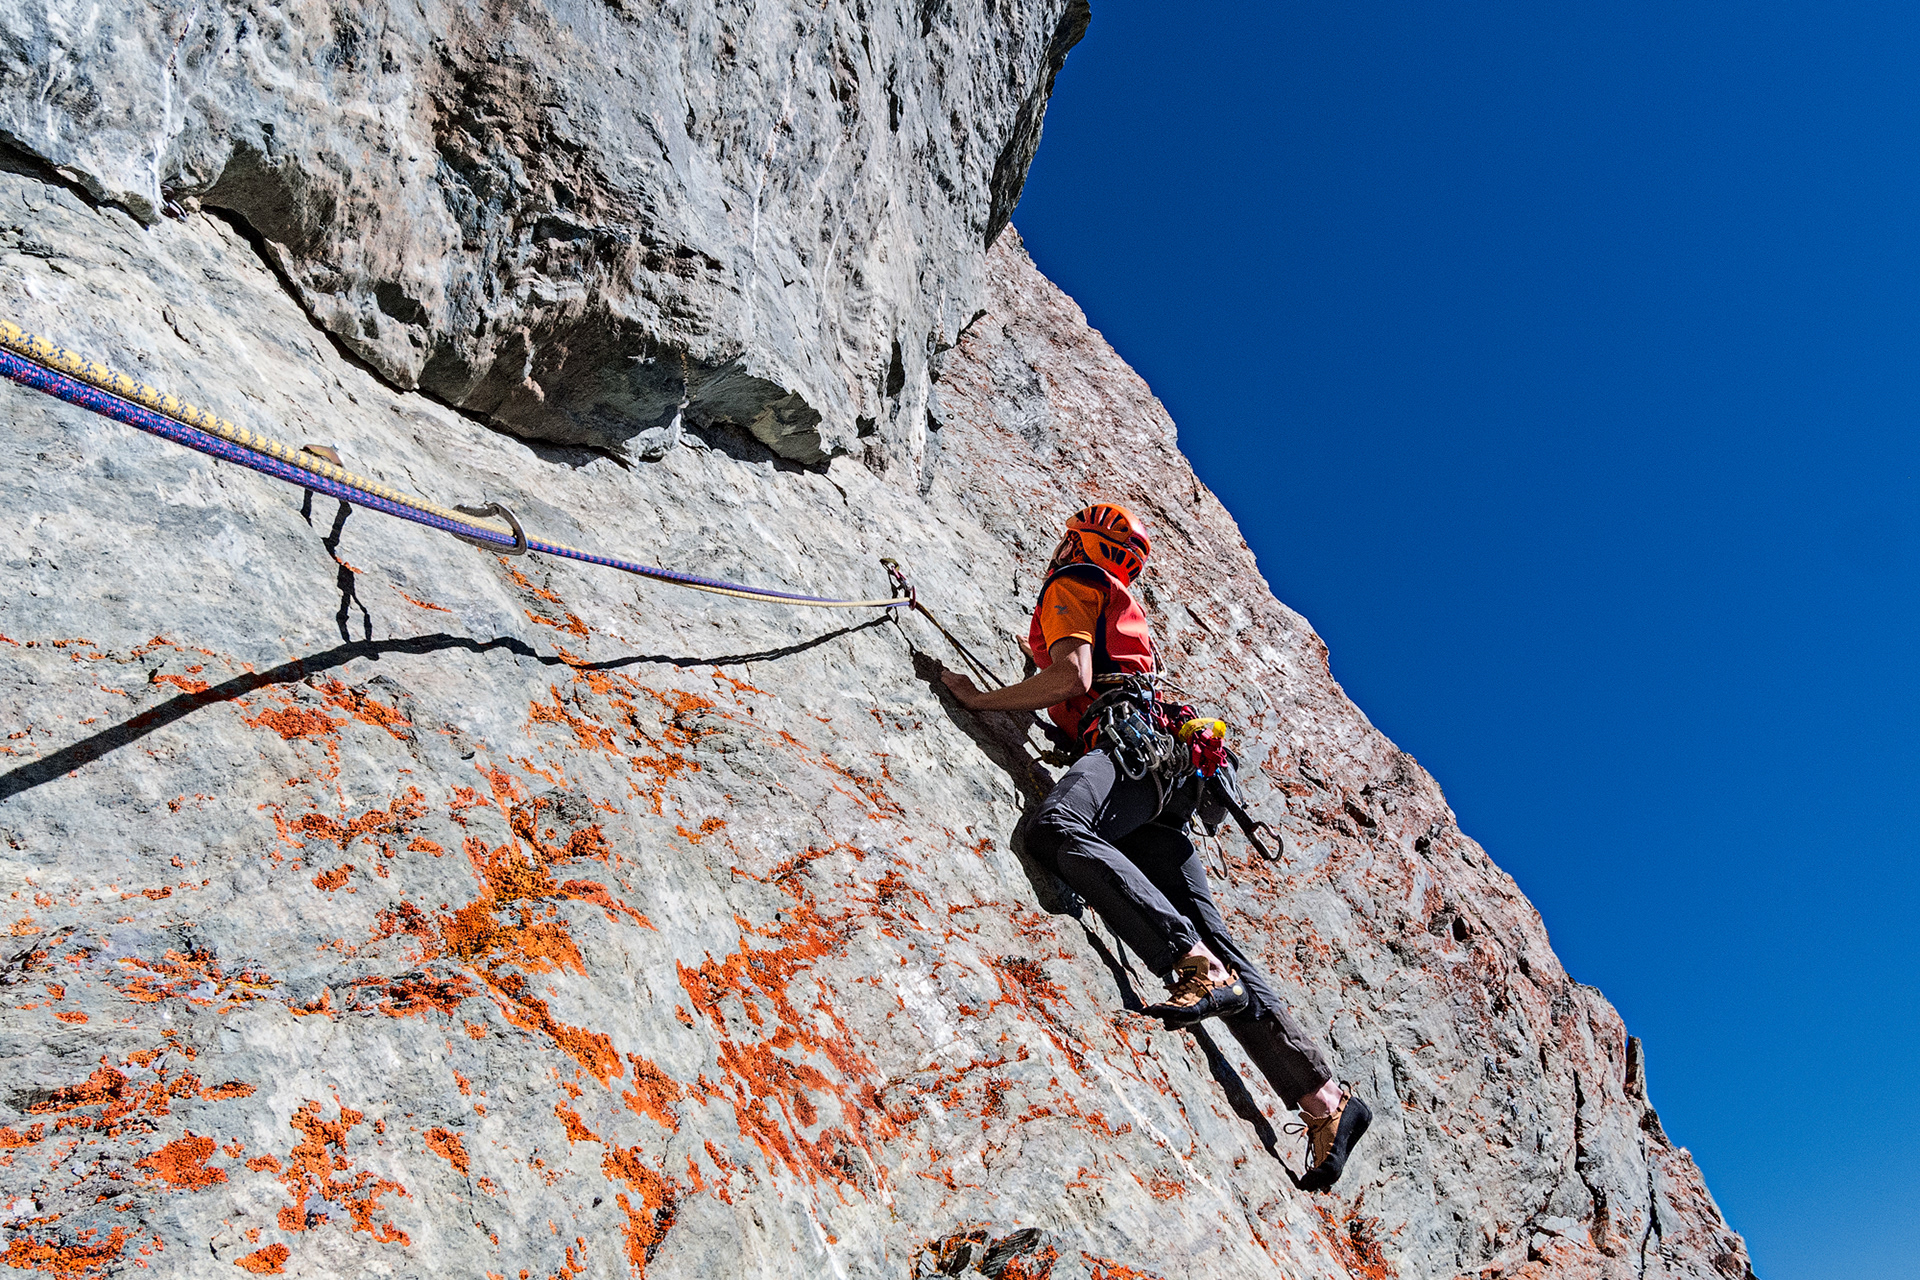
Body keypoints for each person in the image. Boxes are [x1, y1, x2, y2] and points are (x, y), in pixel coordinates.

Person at [939, 503, 1371, 1191]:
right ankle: (1325, 1100)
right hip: (1167, 775)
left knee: (1059, 830)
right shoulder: (1115, 597)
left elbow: (1071, 680)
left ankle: (1186, 960)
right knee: (1216, 934)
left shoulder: (1072, 583)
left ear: (1078, 539)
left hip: (1128, 754)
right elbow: (1095, 689)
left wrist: (979, 699)